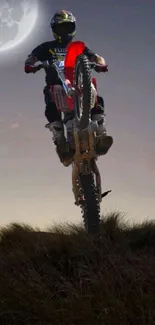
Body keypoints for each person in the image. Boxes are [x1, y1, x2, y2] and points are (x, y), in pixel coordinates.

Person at [24, 10, 113, 166]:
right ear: (54, 30)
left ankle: (100, 132)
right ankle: (60, 140)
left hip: (79, 84)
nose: (64, 31)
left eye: (67, 27)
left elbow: (95, 57)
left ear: (73, 28)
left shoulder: (79, 47)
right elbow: (33, 57)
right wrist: (31, 64)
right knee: (49, 98)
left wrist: (101, 63)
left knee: (96, 94)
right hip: (57, 85)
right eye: (60, 28)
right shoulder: (46, 47)